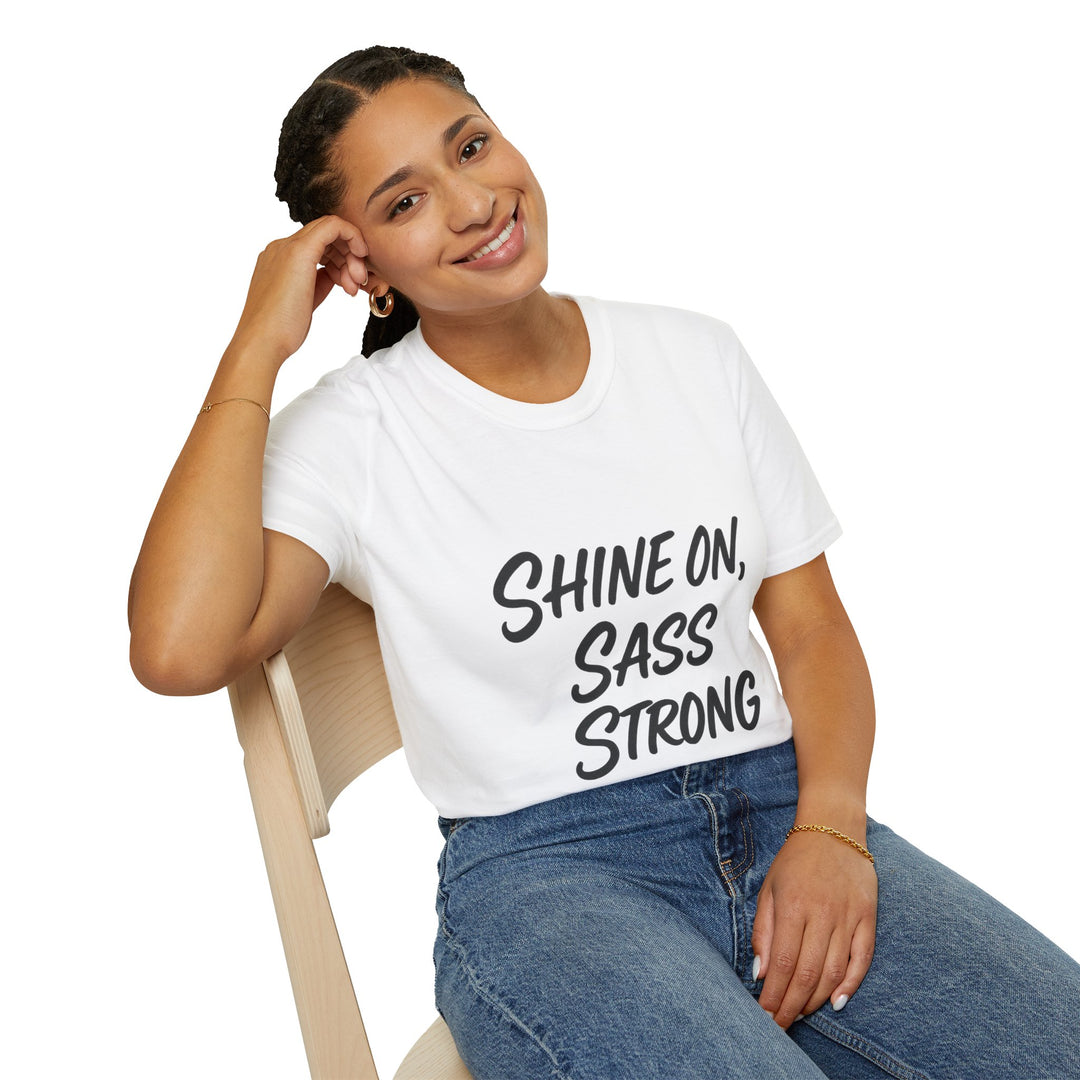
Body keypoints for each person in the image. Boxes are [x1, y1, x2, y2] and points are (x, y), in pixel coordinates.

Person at [129, 46, 1080, 1080]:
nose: (474, 202)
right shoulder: (355, 433)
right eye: (406, 202)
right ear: (361, 268)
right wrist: (255, 345)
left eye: (473, 146)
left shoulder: (696, 357)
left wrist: (833, 831)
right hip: (549, 877)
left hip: (782, 809)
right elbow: (180, 648)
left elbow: (809, 629)